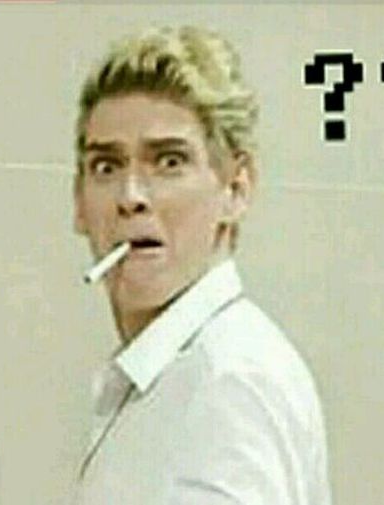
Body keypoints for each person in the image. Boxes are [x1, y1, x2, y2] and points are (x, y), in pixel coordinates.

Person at [71, 25, 332, 504]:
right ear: (78, 203)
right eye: (107, 167)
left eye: (168, 162)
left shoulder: (229, 382)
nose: (131, 197)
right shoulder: (167, 376)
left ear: (236, 190)